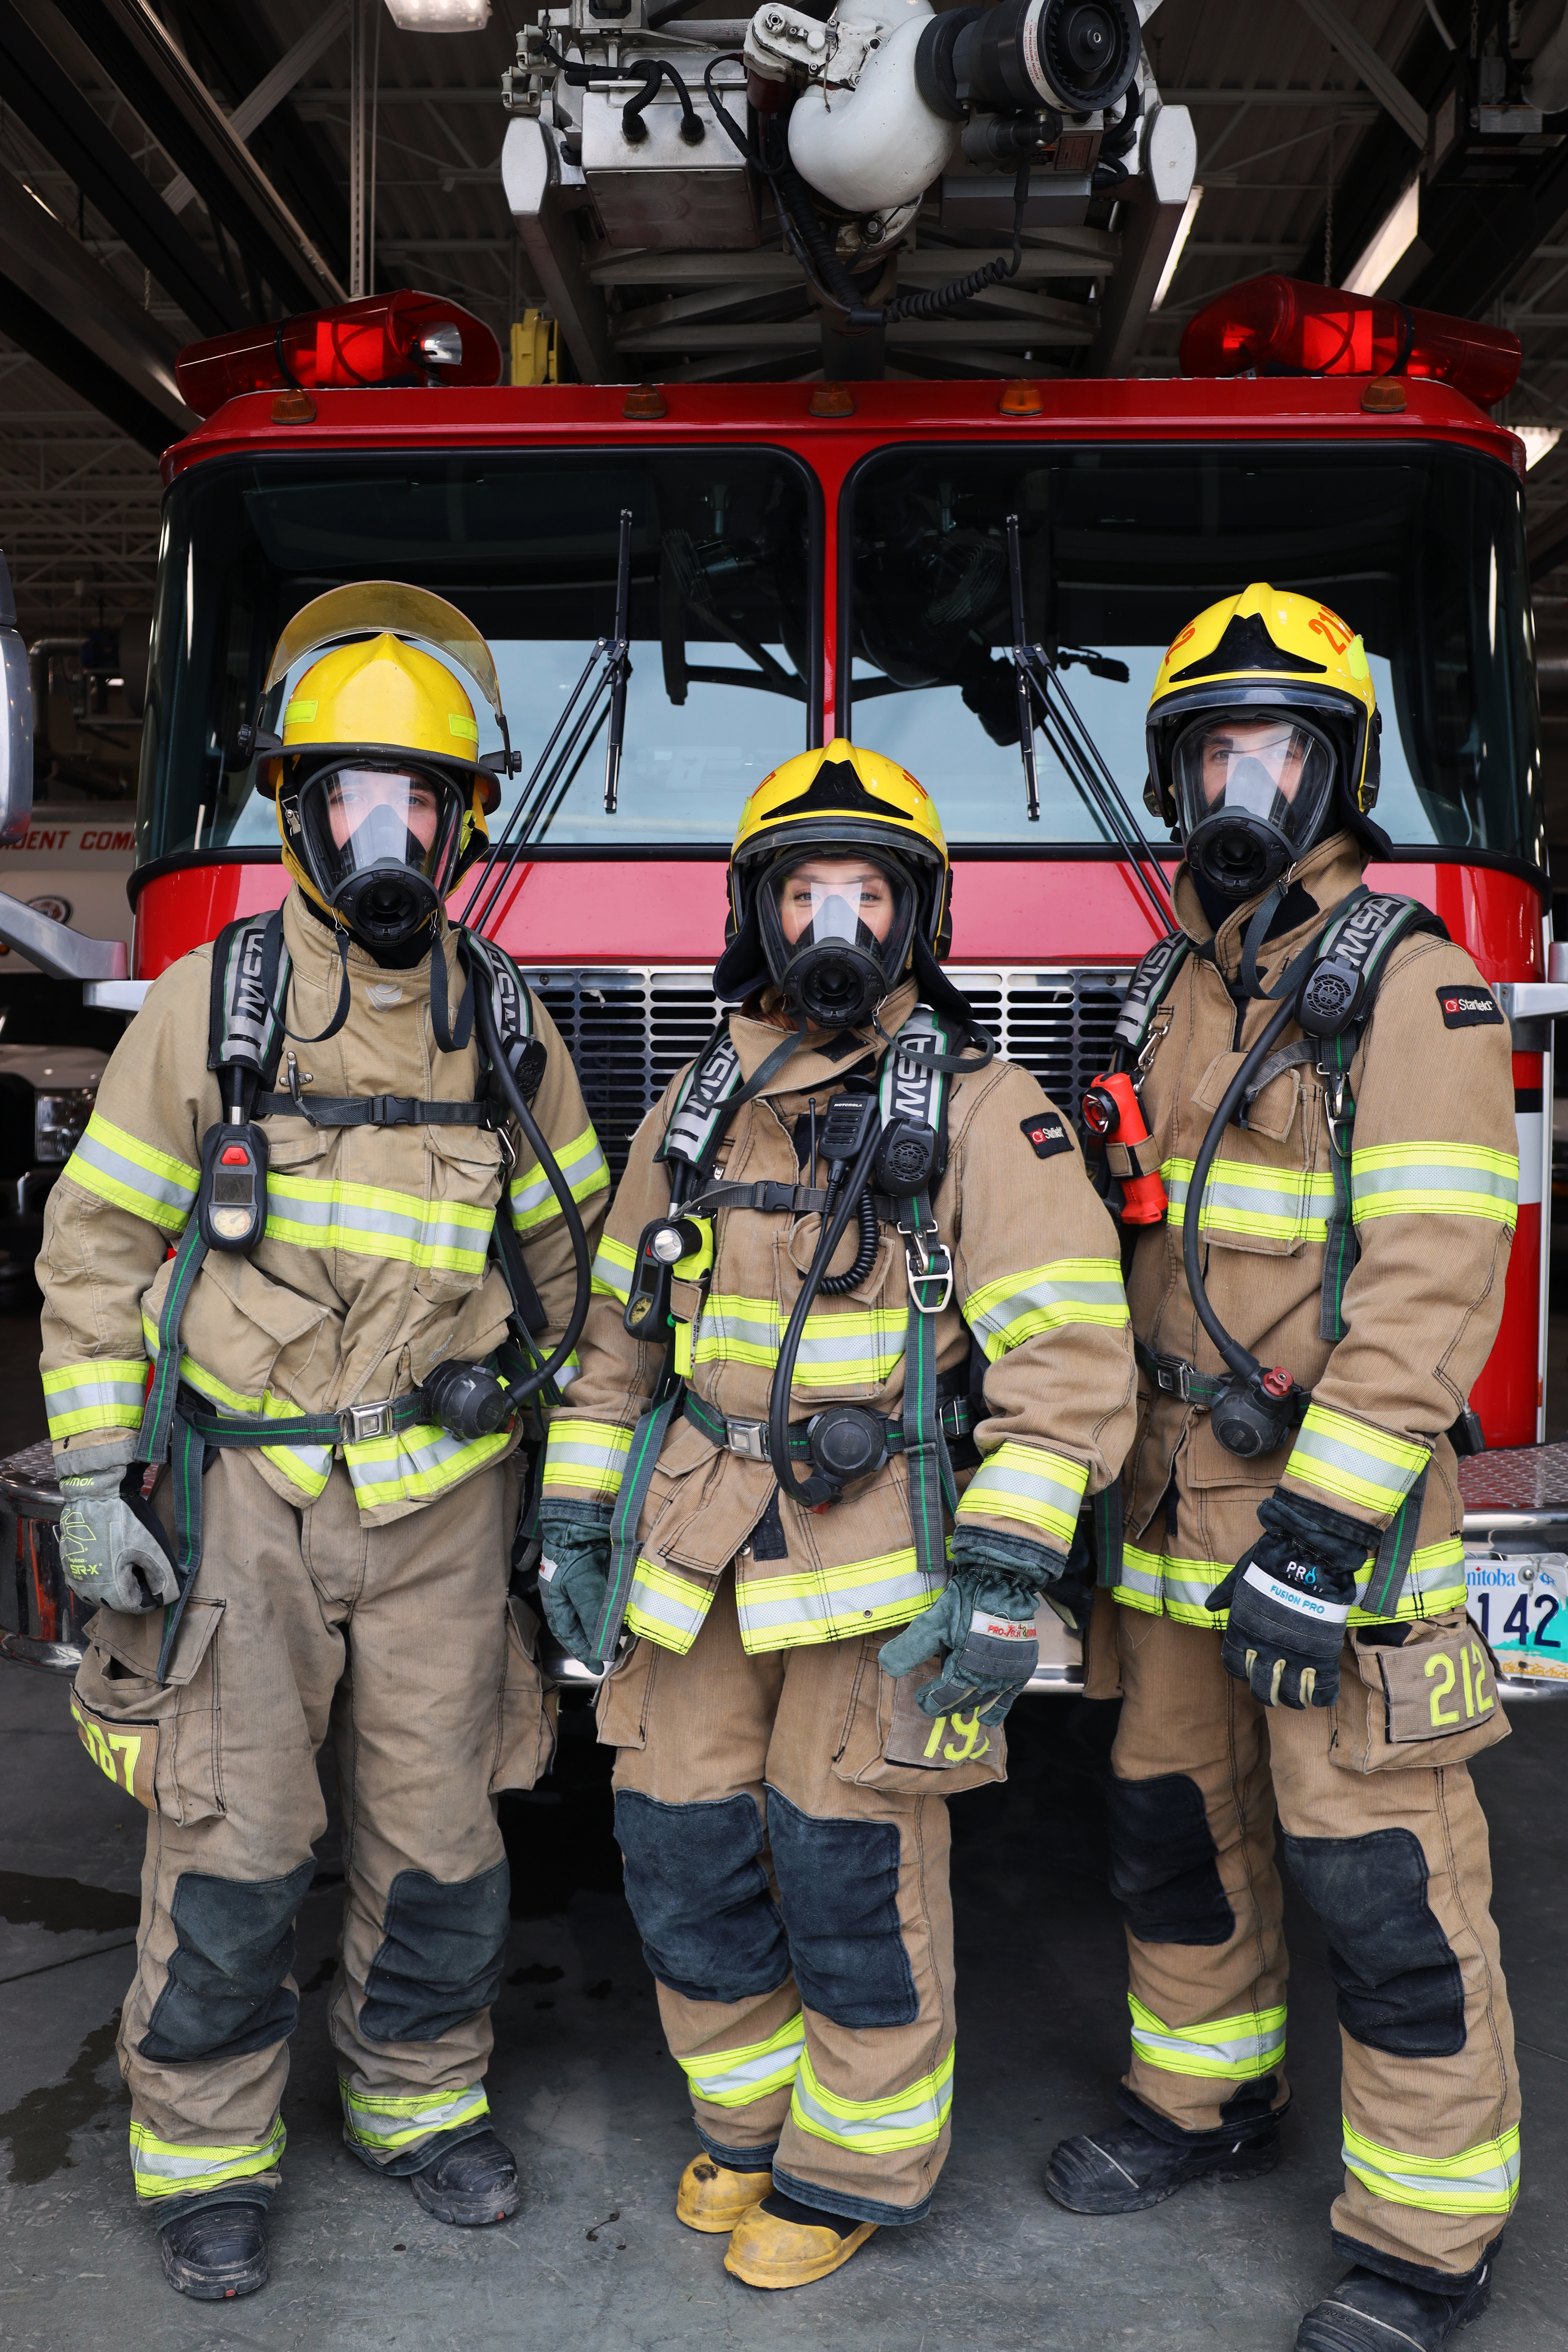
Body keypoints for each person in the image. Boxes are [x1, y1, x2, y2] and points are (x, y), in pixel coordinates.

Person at [39, 588, 609, 2301]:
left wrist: (568, 1502)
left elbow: (580, 1287)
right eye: (355, 800)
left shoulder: (505, 1028)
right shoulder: (210, 1010)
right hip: (250, 1508)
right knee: (233, 1843)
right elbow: (92, 1255)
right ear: (296, 812)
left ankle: (421, 2110)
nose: (387, 835)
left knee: (442, 1843)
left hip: (443, 1513)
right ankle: (204, 2152)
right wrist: (87, 1481)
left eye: (418, 804)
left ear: (461, 822)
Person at [536, 738, 1137, 2289]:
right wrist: (577, 1526)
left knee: (848, 1874)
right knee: (674, 1846)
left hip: (877, 1566)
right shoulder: (695, 1104)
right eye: (804, 890)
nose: (833, 925)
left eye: (867, 893)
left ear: (917, 921)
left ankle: (852, 2168)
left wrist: (1003, 1572)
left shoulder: (992, 1115)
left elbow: (1067, 1363)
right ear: (753, 911)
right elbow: (615, 1342)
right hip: (695, 1556)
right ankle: (742, 2131)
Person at [1045, 586, 1521, 2352]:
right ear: (1176, 774)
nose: (1243, 780)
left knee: (1379, 1877)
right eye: (1214, 749)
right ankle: (1203, 2104)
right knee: (1173, 1830)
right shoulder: (1183, 973)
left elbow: (1430, 1279)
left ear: (1341, 769)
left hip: (1342, 1528)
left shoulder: (1410, 979)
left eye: (1279, 748)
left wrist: (1324, 1527)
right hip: (1173, 1512)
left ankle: (1422, 2242)